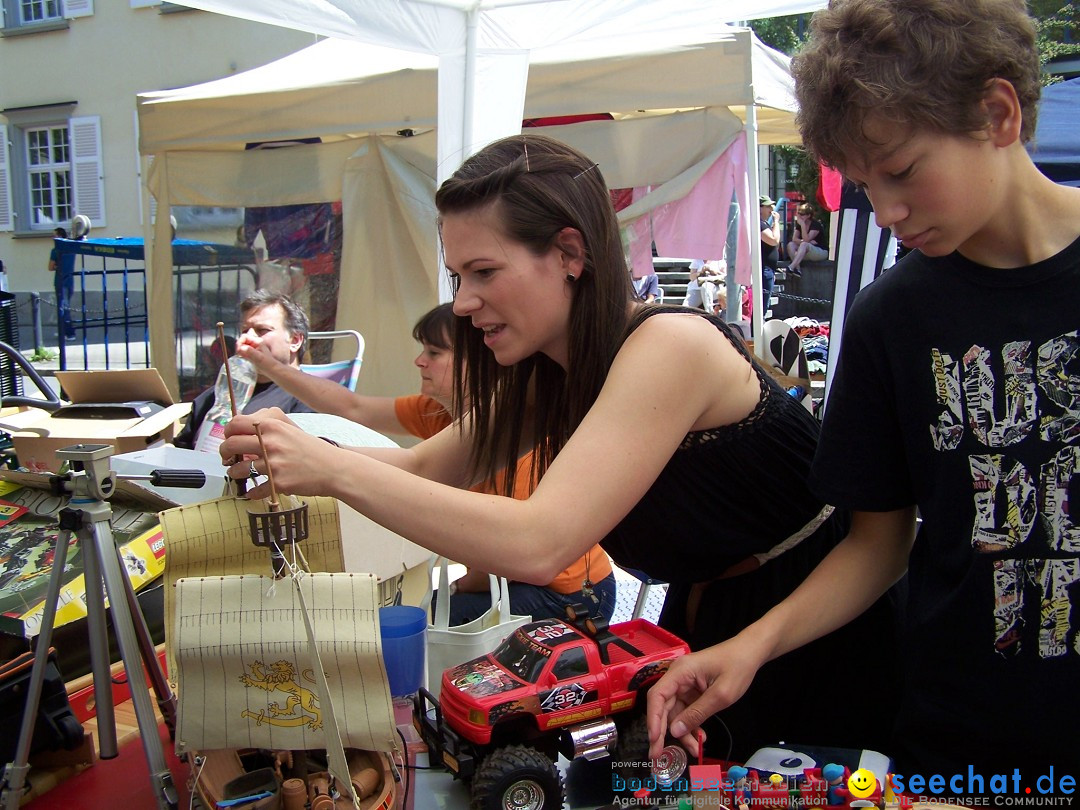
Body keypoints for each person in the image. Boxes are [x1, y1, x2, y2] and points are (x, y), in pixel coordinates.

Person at [221, 133, 896, 760]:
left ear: (571, 254)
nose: (462, 302)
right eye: (459, 277)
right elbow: (420, 468)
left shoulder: (671, 346)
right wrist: (291, 452)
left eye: (483, 271)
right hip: (714, 621)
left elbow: (539, 543)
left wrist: (330, 468)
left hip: (820, 626)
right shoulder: (551, 372)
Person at [646, 0, 1080, 777]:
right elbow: (879, 542)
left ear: (998, 113)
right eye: (866, 184)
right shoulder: (895, 315)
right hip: (964, 744)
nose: (887, 211)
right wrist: (752, 646)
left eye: (903, 171)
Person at [236, 302, 617, 624]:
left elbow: (506, 553)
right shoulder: (438, 412)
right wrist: (269, 371)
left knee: (416, 620)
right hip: (517, 579)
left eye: (434, 353)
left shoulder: (520, 433)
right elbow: (353, 409)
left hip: (569, 595)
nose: (419, 362)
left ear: (480, 360)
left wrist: (456, 587)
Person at [174, 289, 313, 451]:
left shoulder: (308, 401)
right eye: (245, 331)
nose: (247, 339)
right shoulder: (213, 397)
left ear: (295, 340)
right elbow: (181, 453)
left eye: (262, 330)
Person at [48, 226, 76, 343]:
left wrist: (57, 266)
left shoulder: (56, 251)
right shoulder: (71, 249)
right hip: (70, 281)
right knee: (65, 307)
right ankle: (63, 332)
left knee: (63, 309)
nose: (53, 238)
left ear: (59, 236)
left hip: (60, 281)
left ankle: (69, 333)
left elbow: (50, 267)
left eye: (54, 235)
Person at [785, 203, 828, 276]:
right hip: (805, 251)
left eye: (802, 214)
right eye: (799, 213)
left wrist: (803, 225)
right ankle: (797, 269)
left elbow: (806, 240)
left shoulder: (815, 225)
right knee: (791, 245)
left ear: (808, 215)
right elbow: (794, 239)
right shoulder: (800, 224)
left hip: (820, 252)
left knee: (804, 244)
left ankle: (791, 266)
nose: (799, 216)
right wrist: (804, 242)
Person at [758, 195, 780, 316]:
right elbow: (773, 240)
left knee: (764, 305)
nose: (771, 209)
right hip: (764, 269)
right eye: (768, 206)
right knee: (762, 306)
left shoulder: (764, 223)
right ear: (760, 208)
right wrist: (776, 222)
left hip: (769, 269)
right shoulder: (760, 224)